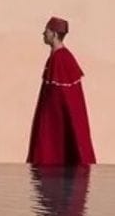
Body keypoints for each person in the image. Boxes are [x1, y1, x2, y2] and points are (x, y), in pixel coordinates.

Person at [27, 17, 96, 166]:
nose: (43, 34)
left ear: (55, 34)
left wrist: (46, 127)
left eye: (47, 31)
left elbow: (59, 100)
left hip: (55, 125)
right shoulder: (55, 57)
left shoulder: (62, 58)